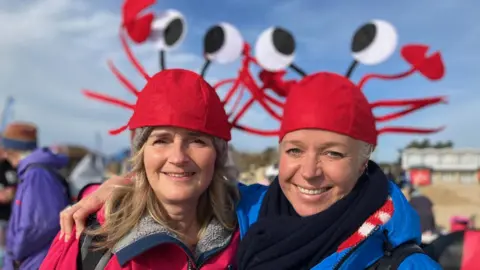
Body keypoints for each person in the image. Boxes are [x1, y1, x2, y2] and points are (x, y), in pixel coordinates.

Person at [58, 71, 442, 269]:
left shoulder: (400, 261)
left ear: (365, 160)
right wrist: (122, 187)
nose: (309, 172)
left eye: (334, 154)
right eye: (295, 150)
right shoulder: (251, 212)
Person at [40, 69, 240, 269]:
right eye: (161, 140)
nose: (178, 157)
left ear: (218, 154)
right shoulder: (89, 236)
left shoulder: (249, 225)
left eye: (197, 141)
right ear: (141, 154)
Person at [0, 122, 71, 270]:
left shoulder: (36, 174)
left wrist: (16, 254)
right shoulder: (33, 172)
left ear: (14, 150)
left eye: (6, 149)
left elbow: (38, 225)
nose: (4, 154)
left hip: (33, 262)